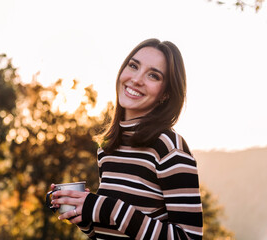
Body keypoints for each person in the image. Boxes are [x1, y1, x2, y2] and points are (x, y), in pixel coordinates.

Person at [49, 38, 203, 239]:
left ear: (165, 94)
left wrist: (107, 208)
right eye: (133, 66)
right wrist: (85, 214)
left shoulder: (169, 148)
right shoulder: (107, 149)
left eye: (153, 76)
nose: (137, 79)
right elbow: (113, 231)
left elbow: (189, 237)